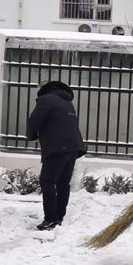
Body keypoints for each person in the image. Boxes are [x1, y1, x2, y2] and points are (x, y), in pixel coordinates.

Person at [27, 80, 86, 231]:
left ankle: (50, 219)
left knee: (47, 180)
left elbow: (34, 120)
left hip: (58, 146)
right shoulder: (67, 101)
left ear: (42, 89)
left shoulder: (46, 99)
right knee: (62, 182)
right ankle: (59, 216)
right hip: (72, 147)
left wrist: (31, 135)